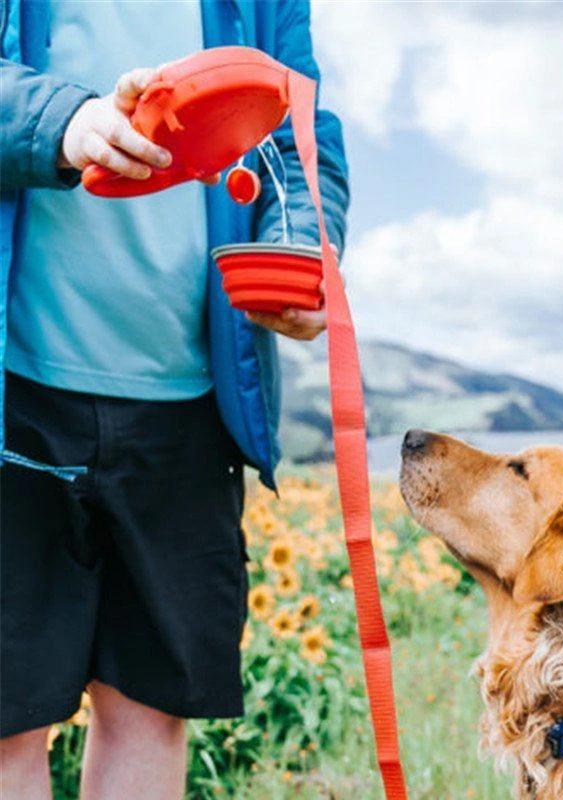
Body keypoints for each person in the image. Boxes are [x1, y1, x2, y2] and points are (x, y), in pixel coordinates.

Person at [0, 2, 348, 797]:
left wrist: (302, 242)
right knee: (6, 720)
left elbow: (300, 132)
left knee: (152, 711)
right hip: (12, 397)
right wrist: (68, 118)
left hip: (192, 401)